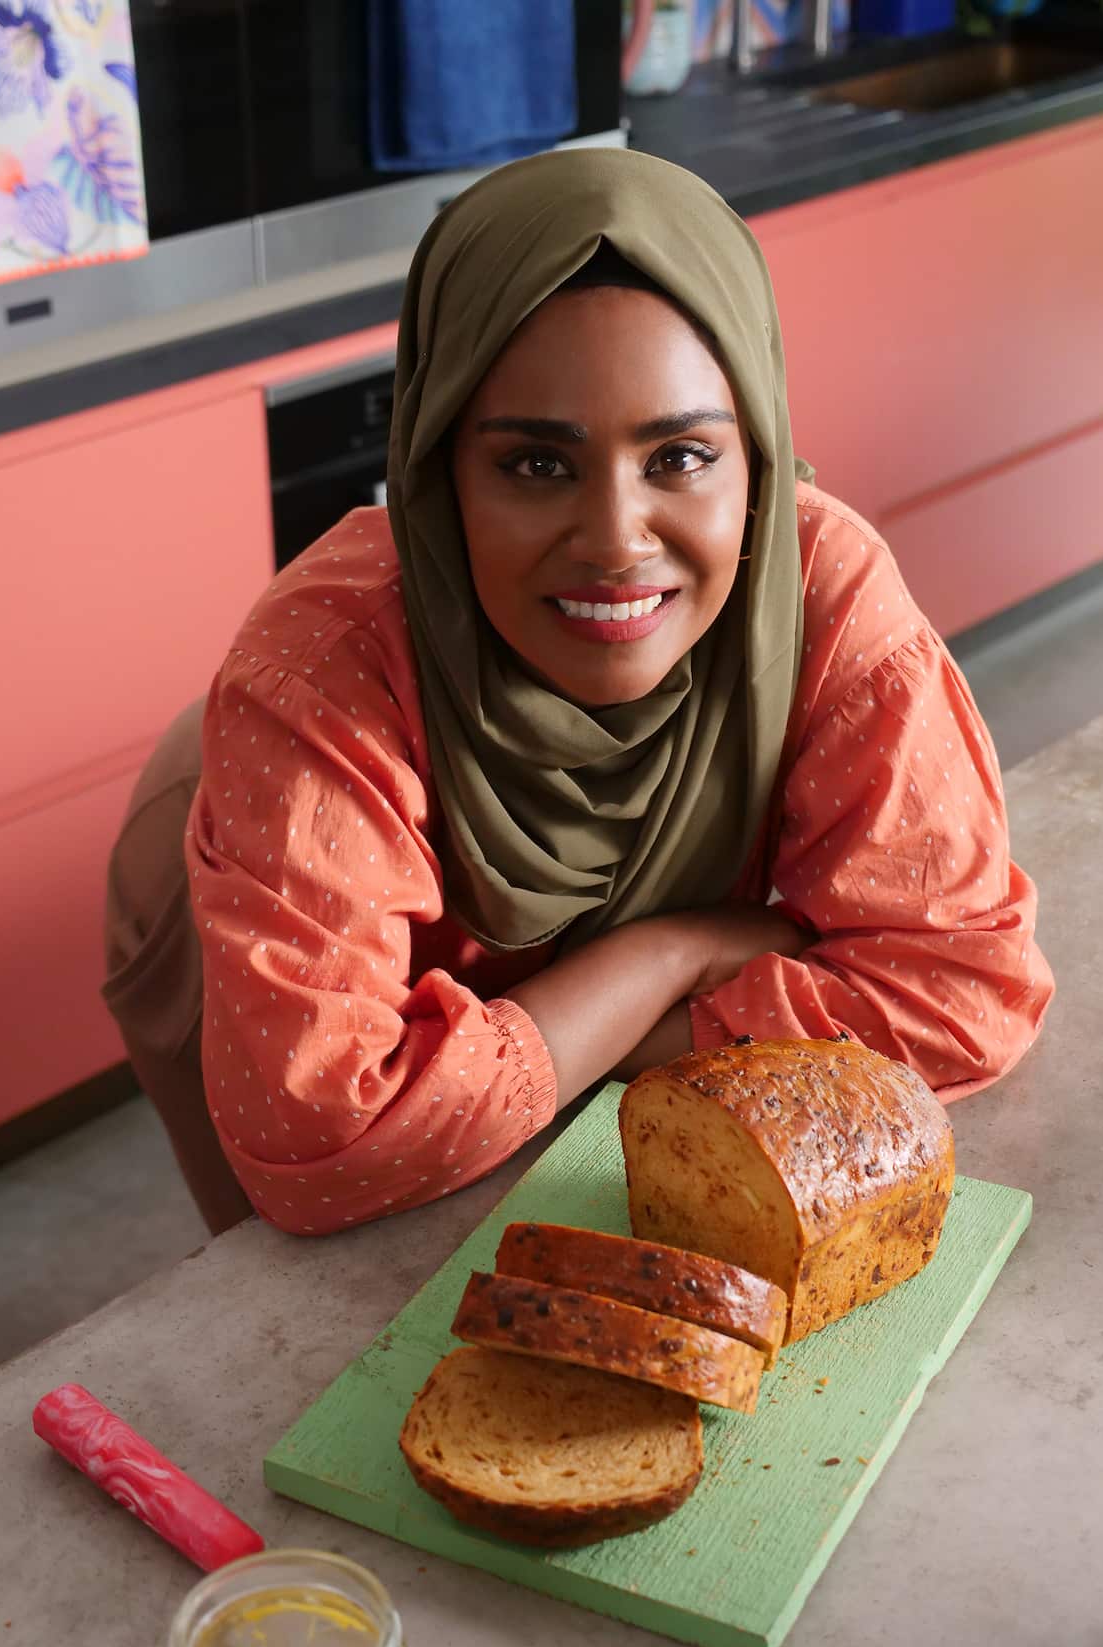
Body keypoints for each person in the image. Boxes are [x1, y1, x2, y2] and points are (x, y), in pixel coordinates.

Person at [103, 147, 1054, 1237]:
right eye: (535, 466)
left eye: (681, 458)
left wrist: (536, 1037)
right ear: (436, 472)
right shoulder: (313, 670)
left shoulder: (818, 592)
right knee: (303, 1309)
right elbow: (324, 1145)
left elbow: (963, 996)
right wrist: (674, 952)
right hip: (276, 825)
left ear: (757, 454)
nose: (613, 542)